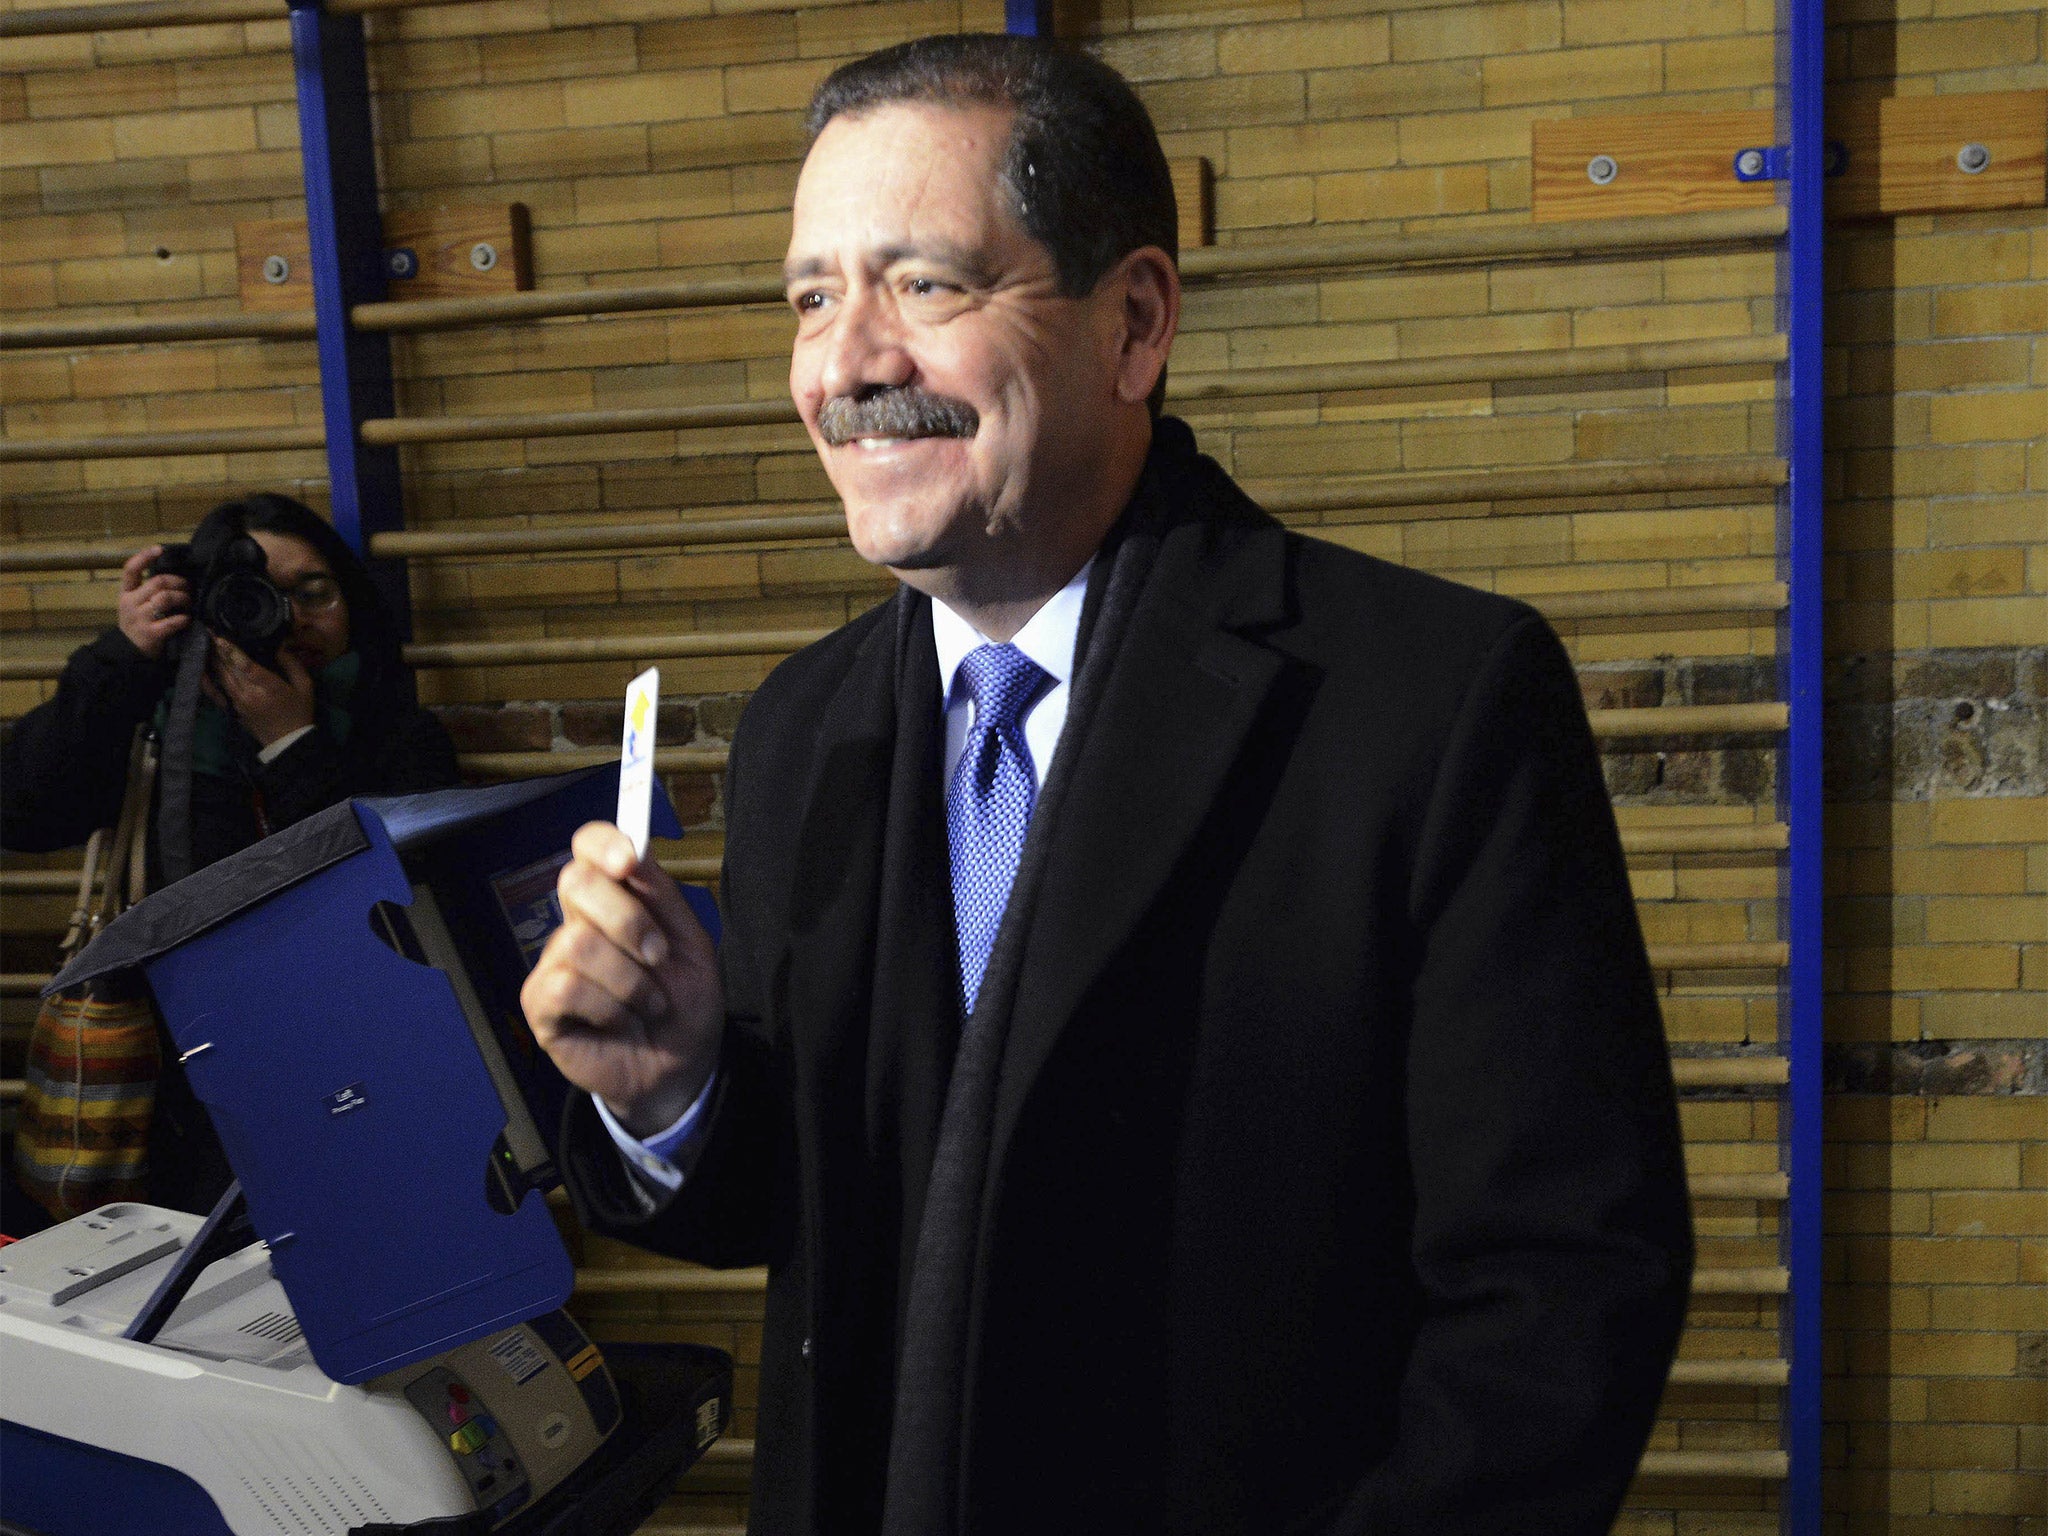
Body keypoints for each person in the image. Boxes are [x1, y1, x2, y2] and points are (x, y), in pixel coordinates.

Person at [522, 35, 1693, 1536]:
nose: (848, 365)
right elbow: (823, 1203)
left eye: (925, 285)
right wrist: (670, 1092)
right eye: (813, 298)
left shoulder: (1428, 701)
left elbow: (1564, 1286)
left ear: (1134, 323)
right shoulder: (799, 729)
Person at [4, 492, 459, 1215]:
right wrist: (122, 660)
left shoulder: (397, 739)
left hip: (362, 1085)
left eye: (313, 593)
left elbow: (396, 895)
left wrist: (292, 742)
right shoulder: (148, 734)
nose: (289, 620)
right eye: (252, 598)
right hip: (174, 1111)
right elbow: (20, 810)